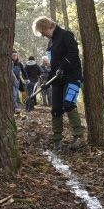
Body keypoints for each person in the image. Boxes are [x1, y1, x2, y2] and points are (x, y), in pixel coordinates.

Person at [35, 16, 85, 149]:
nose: (44, 35)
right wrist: (47, 82)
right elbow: (52, 65)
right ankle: (57, 139)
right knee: (56, 108)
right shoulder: (50, 43)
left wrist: (63, 67)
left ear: (49, 26)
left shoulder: (66, 35)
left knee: (68, 103)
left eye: (44, 32)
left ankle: (78, 137)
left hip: (73, 77)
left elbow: (74, 54)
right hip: (57, 80)